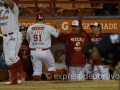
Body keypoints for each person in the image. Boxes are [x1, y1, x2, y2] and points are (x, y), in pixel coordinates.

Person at [26, 11, 60, 81]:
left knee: (37, 71)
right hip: (45, 51)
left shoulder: (30, 28)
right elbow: (57, 35)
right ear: (44, 19)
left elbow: (27, 40)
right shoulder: (47, 27)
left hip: (34, 51)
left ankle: (37, 86)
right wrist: (57, 27)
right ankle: (49, 83)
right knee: (51, 67)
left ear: (36, 19)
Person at [0, 0, 25, 84]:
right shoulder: (1, 8)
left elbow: (10, 4)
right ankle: (13, 78)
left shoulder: (14, 8)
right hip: (5, 36)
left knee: (13, 56)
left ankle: (22, 74)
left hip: (14, 35)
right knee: (8, 59)